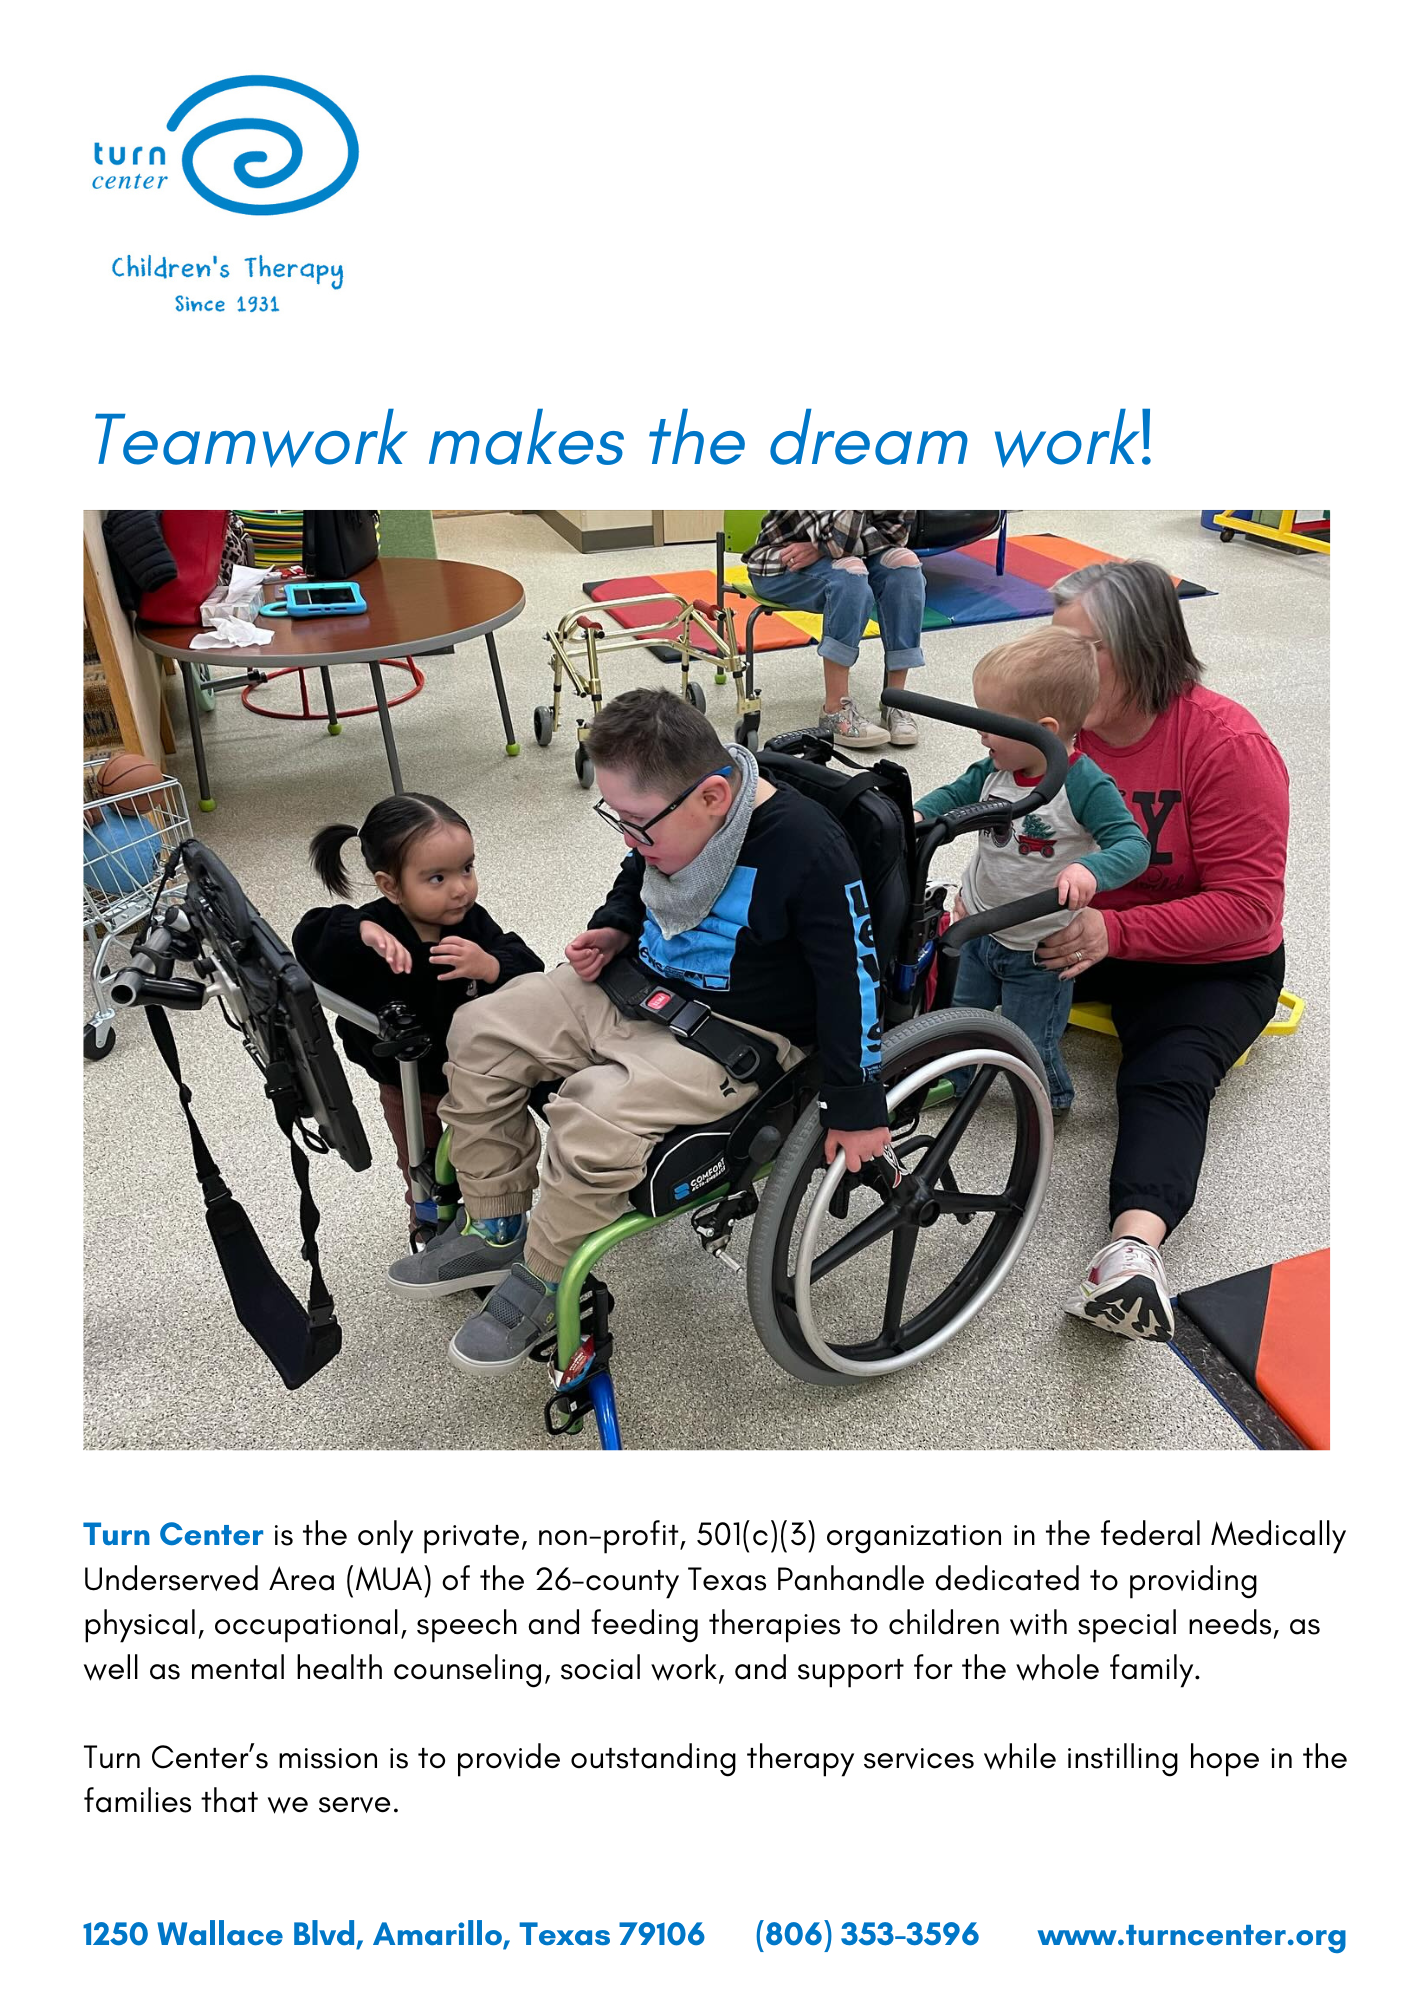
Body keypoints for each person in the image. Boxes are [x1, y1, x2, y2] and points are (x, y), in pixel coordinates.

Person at [387, 687, 893, 1376]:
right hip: (635, 986)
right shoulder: (675, 822)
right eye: (617, 818)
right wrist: (616, 923)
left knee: (592, 1113)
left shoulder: (809, 850)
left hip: (734, 1035)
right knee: (480, 1028)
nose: (628, 838)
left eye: (636, 823)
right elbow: (639, 870)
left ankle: (545, 1275)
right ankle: (498, 1223)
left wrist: (858, 1106)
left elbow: (852, 980)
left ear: (713, 797)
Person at [1039, 559, 1290, 1342]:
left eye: (1084, 649)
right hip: (1089, 930)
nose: (1064, 667)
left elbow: (1249, 908)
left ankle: (1131, 1255)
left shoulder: (1226, 743)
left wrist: (1117, 932)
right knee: (942, 960)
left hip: (1212, 961)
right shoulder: (1062, 730)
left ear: (1142, 649)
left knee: (1168, 1076)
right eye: (1058, 646)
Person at [914, 631, 1150, 1113]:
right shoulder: (993, 770)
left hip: (1039, 950)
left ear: (1043, 729)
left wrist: (1090, 870)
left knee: (1029, 1040)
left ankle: (1049, 1101)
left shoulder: (1083, 783)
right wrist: (917, 816)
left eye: (990, 723)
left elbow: (1133, 846)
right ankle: (954, 1081)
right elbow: (952, 796)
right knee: (960, 1018)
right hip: (978, 927)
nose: (980, 734)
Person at [293, 795, 544, 1247]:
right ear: (390, 886)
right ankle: (426, 1224)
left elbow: (528, 964)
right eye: (437, 878)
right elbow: (309, 941)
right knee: (419, 1161)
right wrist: (360, 931)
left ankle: (491, 1220)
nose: (460, 889)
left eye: (467, 868)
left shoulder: (470, 923)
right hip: (405, 1083)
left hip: (476, 1075)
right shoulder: (369, 931)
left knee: (485, 1152)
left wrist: (489, 965)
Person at [742, 510, 926, 749]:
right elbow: (837, 542)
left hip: (846, 553)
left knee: (905, 564)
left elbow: (896, 534)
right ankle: (835, 710)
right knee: (850, 573)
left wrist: (821, 549)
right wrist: (830, 546)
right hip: (783, 562)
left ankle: (896, 701)